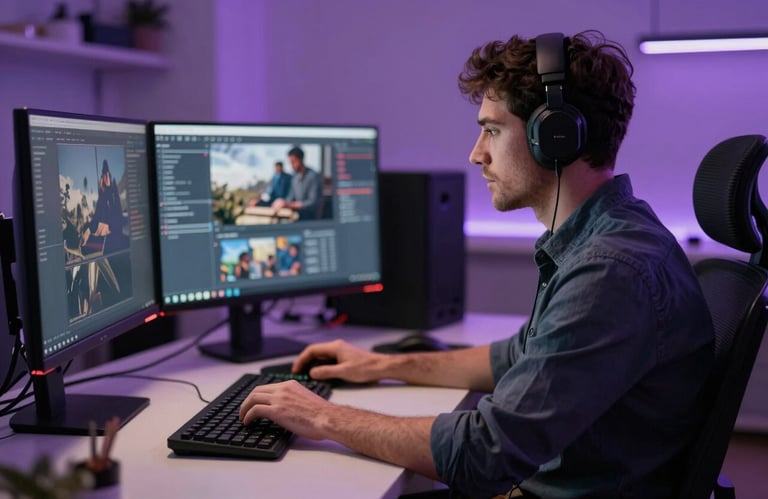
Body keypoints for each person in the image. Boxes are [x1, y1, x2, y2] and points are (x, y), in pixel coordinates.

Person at [239, 31, 714, 498]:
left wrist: (322, 416)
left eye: (492, 130)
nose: (476, 154)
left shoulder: (611, 269)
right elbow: (514, 357)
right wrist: (380, 364)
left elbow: (486, 455)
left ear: (555, 136)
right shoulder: (607, 237)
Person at [271, 146, 324, 219]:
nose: (292, 166)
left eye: (293, 162)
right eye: (290, 163)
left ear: (301, 159)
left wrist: (289, 204)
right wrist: (281, 203)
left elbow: (312, 203)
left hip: (310, 217)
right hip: (297, 215)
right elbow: (290, 198)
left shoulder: (313, 176)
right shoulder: (294, 178)